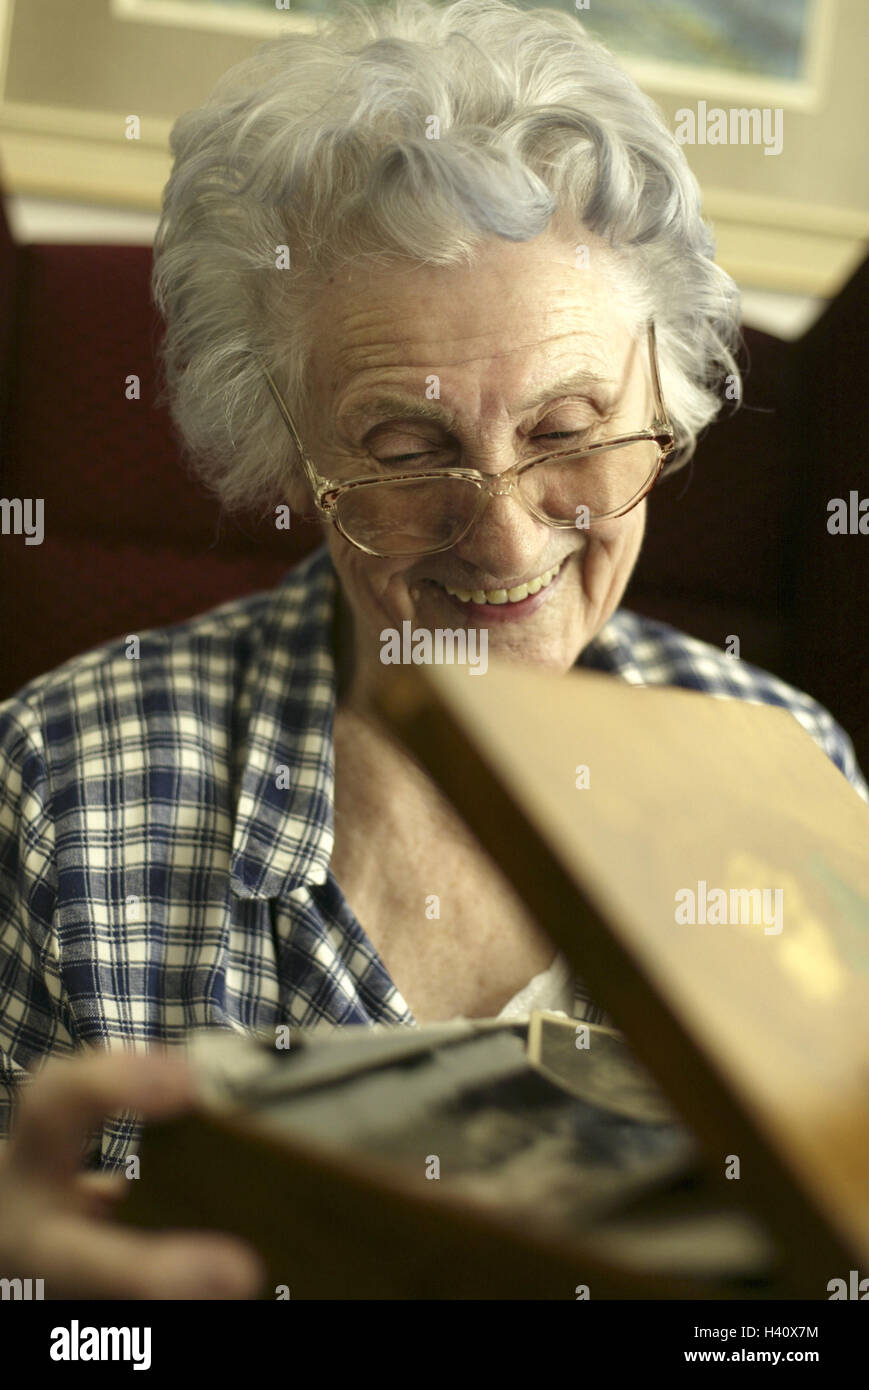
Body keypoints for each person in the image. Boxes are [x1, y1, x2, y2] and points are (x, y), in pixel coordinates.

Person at [0, 0, 865, 1299]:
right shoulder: (62, 786)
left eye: (572, 430)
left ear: (665, 407)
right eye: (406, 453)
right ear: (287, 452)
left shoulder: (787, 764)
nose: (506, 540)